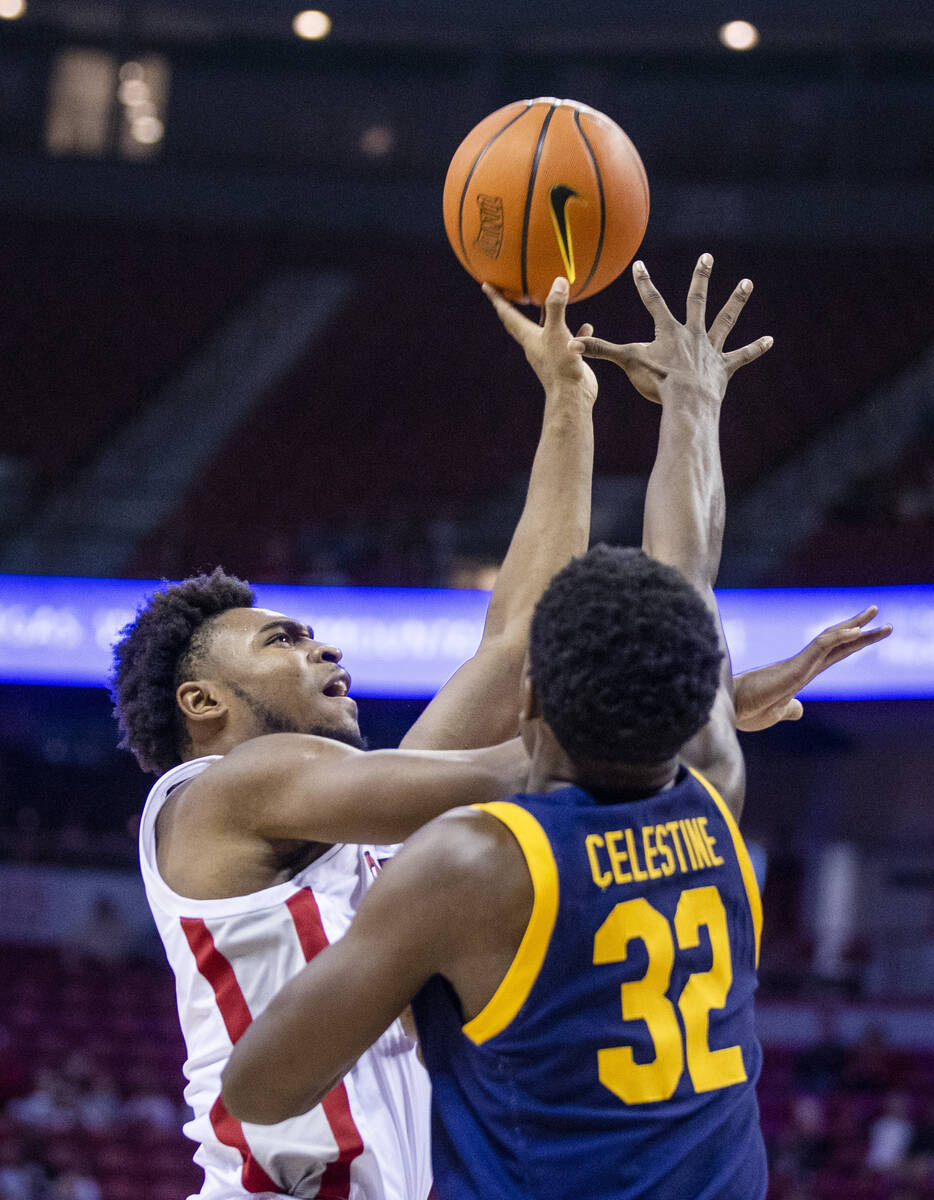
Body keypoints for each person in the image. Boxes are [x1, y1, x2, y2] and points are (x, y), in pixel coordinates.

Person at [115, 262, 887, 1200]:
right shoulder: (219, 792)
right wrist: (690, 708)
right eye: (283, 639)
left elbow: (521, 639)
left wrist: (571, 397)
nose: (324, 650)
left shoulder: (352, 811)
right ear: (204, 702)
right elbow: (539, 755)